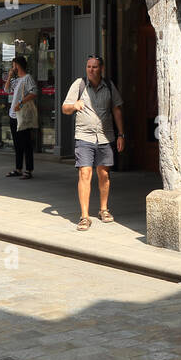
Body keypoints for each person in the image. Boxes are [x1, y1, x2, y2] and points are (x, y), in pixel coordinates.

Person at [62, 55, 125, 230]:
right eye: (89, 66)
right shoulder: (79, 85)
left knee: (104, 175)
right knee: (85, 173)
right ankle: (84, 216)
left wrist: (121, 134)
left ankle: (104, 209)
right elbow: (64, 108)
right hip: (84, 137)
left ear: (101, 69)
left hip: (106, 136)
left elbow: (117, 110)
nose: (91, 70)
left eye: (95, 67)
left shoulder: (109, 87)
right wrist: (74, 106)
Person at [7, 55, 38, 180]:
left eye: (13, 65)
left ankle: (29, 170)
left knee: (26, 143)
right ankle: (18, 168)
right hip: (13, 115)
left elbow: (34, 92)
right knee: (17, 144)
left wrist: (21, 103)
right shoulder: (17, 80)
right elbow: (6, 89)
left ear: (18, 65)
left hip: (22, 115)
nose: (12, 67)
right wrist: (9, 76)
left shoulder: (27, 78)